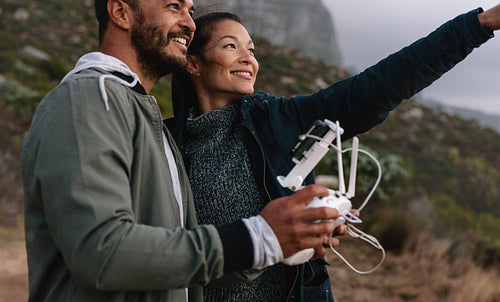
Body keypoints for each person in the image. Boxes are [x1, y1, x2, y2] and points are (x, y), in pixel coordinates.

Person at [168, 5, 500, 302]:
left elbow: (380, 85)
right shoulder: (164, 143)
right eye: (231, 46)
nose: (248, 59)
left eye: (251, 50)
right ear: (194, 63)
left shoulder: (281, 120)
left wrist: (480, 24)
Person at [20, 1, 344, 301]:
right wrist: (258, 238)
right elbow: (100, 254)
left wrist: (284, 239)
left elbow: (172, 265)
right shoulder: (88, 98)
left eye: (189, 9)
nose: (189, 23)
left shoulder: (153, 124)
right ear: (121, 12)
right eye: (173, 6)